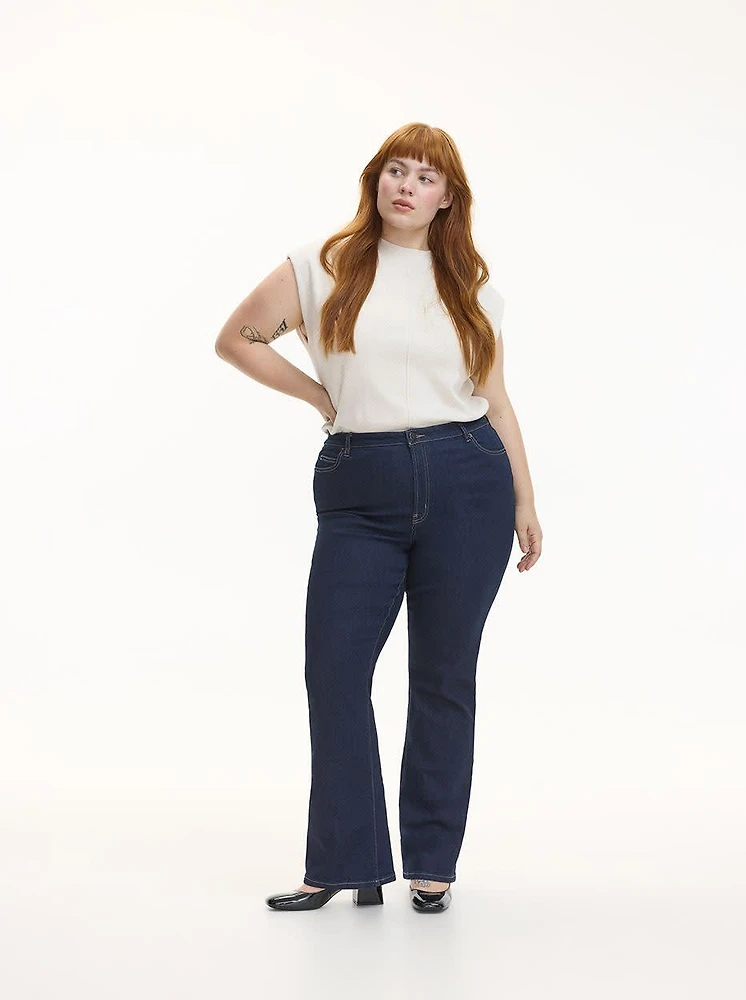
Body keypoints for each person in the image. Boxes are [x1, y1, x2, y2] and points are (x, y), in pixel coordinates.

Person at [215, 122, 542, 913]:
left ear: (447, 198)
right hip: (360, 483)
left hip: (469, 478)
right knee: (334, 671)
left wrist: (525, 499)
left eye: (426, 177)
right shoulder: (322, 265)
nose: (407, 186)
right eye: (397, 170)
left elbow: (496, 401)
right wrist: (319, 396)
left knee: (443, 676)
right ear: (376, 179)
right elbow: (238, 339)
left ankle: (433, 863)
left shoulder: (470, 289)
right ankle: (343, 861)